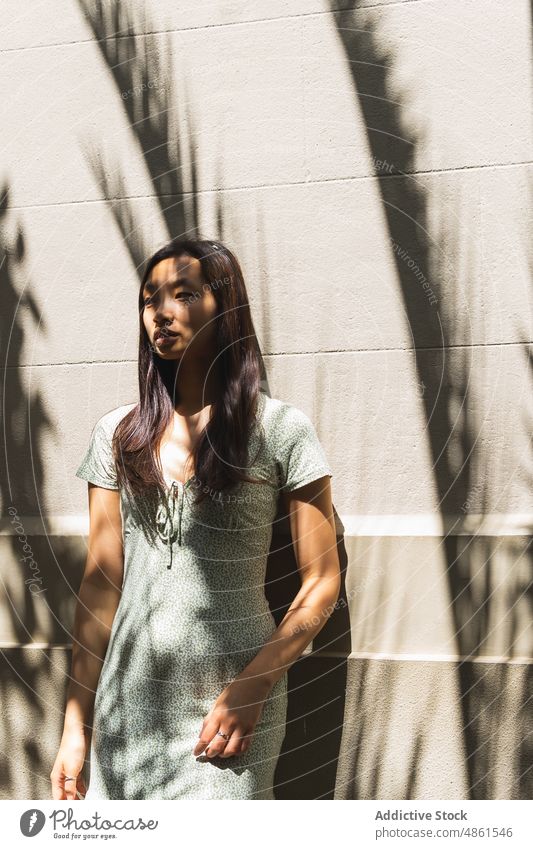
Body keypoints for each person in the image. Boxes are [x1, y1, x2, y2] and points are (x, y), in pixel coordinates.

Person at [50, 237, 340, 800]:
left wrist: (254, 685)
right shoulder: (117, 435)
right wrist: (74, 726)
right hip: (125, 710)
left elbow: (323, 581)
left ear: (224, 306)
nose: (160, 311)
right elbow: (101, 586)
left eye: (183, 293)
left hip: (226, 716)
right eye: (148, 298)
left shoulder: (281, 431)